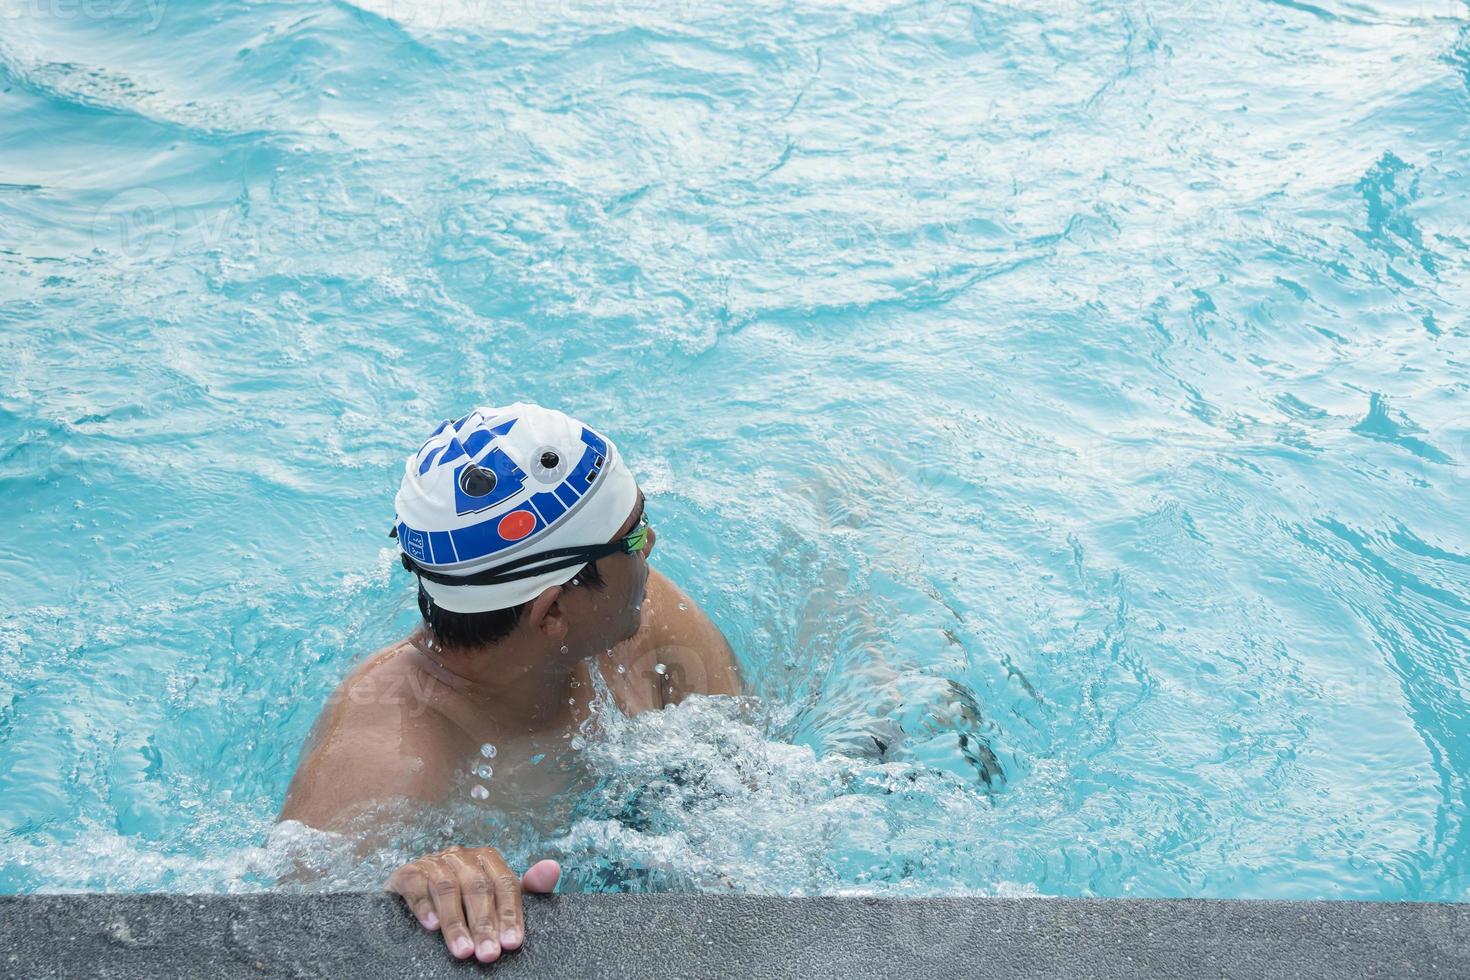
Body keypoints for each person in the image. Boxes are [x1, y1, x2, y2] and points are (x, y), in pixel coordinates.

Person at [278, 403, 742, 963]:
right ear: (552, 614)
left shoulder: (648, 622)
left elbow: (754, 793)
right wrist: (407, 894)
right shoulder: (382, 757)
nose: (651, 545)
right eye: (635, 535)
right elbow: (290, 937)